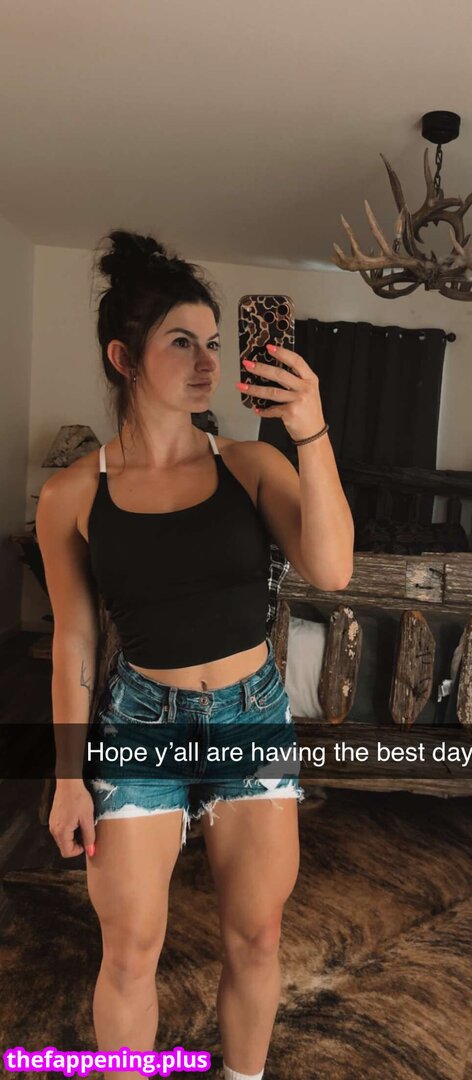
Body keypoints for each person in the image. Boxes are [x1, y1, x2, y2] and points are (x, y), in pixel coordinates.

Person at [35, 230, 355, 1080]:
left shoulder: (251, 465)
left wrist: (311, 431)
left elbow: (332, 568)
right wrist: (68, 775)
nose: (208, 361)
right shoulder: (71, 493)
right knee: (130, 950)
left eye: (214, 341)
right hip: (138, 726)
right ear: (123, 357)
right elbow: (74, 636)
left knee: (257, 935)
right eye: (182, 341)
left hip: (251, 716)